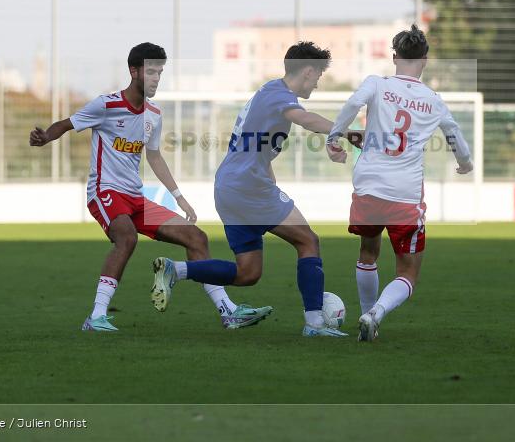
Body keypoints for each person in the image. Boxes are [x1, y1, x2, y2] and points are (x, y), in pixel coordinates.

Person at [30, 42, 269, 332]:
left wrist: (179, 198)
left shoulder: (153, 114)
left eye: (160, 72)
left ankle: (227, 310)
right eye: (152, 71)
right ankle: (96, 317)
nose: (157, 78)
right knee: (127, 238)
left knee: (197, 238)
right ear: (134, 71)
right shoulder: (106, 104)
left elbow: (154, 156)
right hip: (105, 191)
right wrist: (46, 137)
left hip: (135, 198)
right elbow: (67, 124)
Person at [152, 41, 361, 337]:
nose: (317, 83)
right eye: (318, 76)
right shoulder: (280, 96)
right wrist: (345, 131)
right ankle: (315, 324)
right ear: (308, 71)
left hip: (229, 186)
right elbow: (304, 119)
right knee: (308, 241)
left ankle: (177, 270)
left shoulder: (266, 92)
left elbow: (256, 147)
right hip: (249, 187)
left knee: (248, 272)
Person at [326, 24, 473, 342]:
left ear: (395, 57)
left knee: (368, 252)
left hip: (368, 185)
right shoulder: (432, 99)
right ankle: (375, 314)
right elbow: (454, 135)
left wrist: (335, 135)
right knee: (408, 272)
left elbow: (352, 105)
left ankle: (366, 315)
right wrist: (466, 163)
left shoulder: (376, 84)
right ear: (425, 59)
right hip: (405, 192)